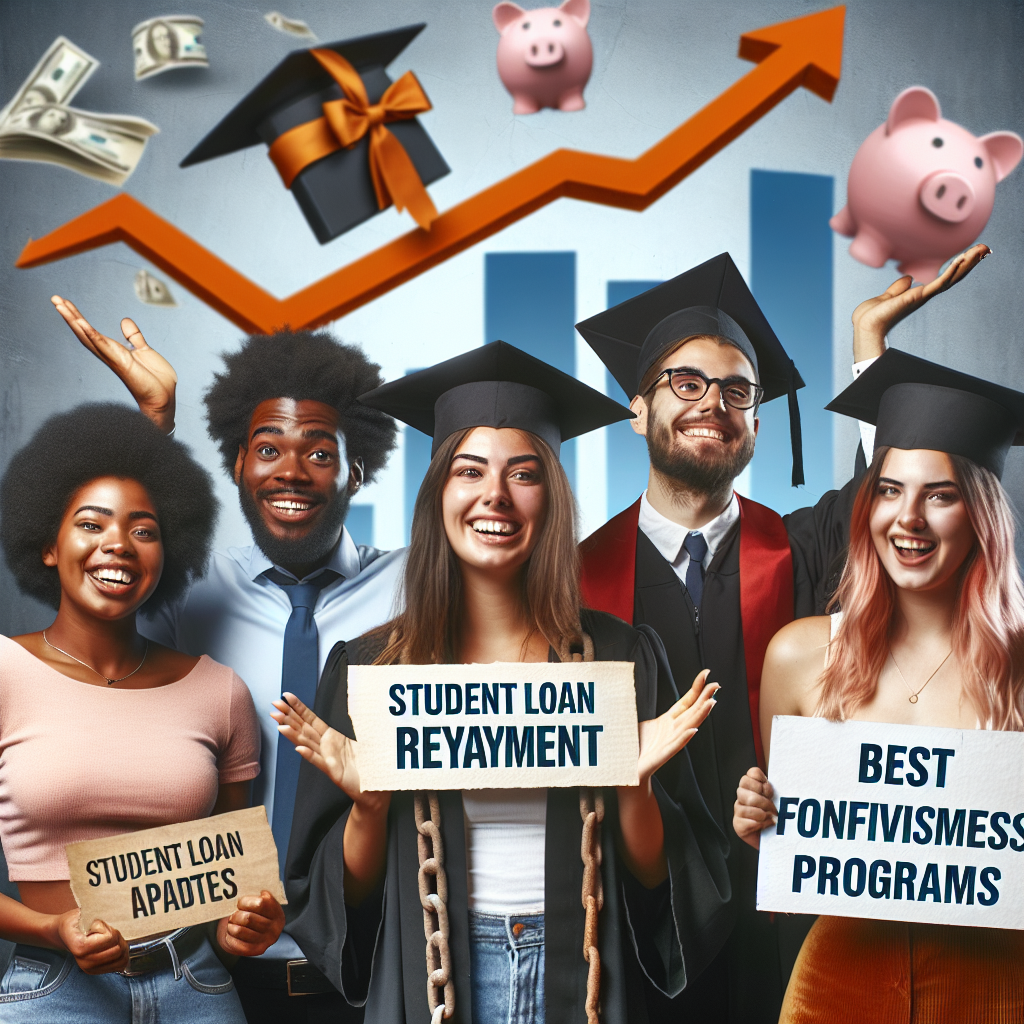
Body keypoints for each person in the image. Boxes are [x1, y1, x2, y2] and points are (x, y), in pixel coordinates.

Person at [573, 246, 990, 1022]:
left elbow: (888, 503)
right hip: (635, 915)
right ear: (637, 410)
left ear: (757, 420)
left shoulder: (799, 548)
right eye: (686, 383)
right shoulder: (571, 576)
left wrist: (871, 350)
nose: (713, 403)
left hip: (783, 911)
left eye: (738, 390)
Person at [275, 341, 734, 1023]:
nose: (495, 495)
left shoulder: (619, 660)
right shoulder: (371, 672)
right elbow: (343, 908)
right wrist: (370, 804)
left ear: (550, 497)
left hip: (582, 974)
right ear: (438, 495)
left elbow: (667, 888)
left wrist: (632, 787)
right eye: (469, 472)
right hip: (437, 978)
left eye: (524, 473)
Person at [49, 297, 402, 1022]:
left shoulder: (415, 585)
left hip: (372, 964)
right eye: (267, 448)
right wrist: (154, 429)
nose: (292, 470)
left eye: (320, 452)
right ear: (239, 465)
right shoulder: (188, 591)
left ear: (357, 472)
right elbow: (92, 620)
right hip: (207, 972)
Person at [733, 350, 1024, 1024]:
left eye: (940, 494)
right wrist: (765, 820)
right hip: (837, 982)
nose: (908, 518)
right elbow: (804, 843)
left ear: (981, 513)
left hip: (997, 984)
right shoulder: (801, 657)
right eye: (889, 490)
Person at [0, 403, 284, 1021]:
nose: (118, 546)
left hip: (199, 988)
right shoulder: (4, 673)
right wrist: (54, 929)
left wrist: (245, 927)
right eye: (91, 524)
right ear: (48, 544)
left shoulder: (219, 692)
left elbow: (234, 876)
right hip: (56, 990)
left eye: (144, 529)